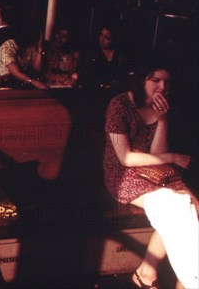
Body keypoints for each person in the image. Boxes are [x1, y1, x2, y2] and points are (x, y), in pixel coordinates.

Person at [103, 60, 197, 289]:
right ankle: (191, 280)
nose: (162, 86)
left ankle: (150, 273)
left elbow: (156, 154)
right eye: (155, 80)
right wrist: (173, 158)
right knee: (177, 207)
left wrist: (163, 119)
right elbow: (125, 158)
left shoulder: (162, 106)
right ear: (141, 79)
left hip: (154, 172)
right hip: (123, 175)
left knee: (193, 206)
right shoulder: (119, 104)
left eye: (167, 81)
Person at [81, 25, 130, 90]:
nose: (102, 39)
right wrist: (102, 85)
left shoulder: (120, 55)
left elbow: (124, 75)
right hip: (95, 90)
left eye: (107, 37)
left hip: (114, 91)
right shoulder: (92, 53)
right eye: (101, 35)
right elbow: (87, 73)